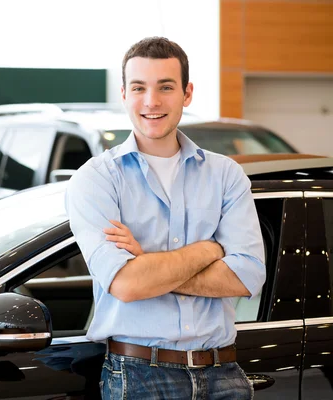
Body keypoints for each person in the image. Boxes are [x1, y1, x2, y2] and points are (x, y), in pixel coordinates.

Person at [64, 37, 266, 399]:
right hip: (139, 376)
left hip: (225, 375)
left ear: (187, 94)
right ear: (124, 94)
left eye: (166, 87)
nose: (152, 101)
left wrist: (147, 264)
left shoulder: (226, 175)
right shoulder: (97, 179)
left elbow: (247, 274)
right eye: (139, 87)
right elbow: (127, 285)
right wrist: (209, 249)